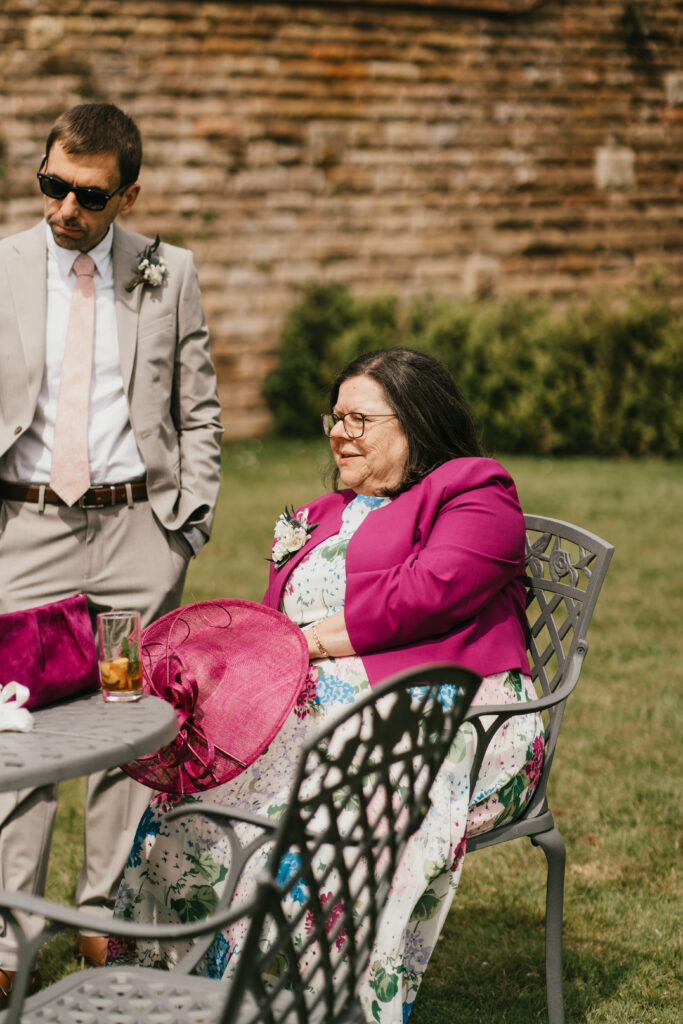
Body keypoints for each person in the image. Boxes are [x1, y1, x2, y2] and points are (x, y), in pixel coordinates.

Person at [110, 348, 543, 1023]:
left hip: (453, 707)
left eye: (358, 419)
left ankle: (308, 1000)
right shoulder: (324, 511)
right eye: (333, 417)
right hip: (320, 706)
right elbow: (273, 612)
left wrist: (303, 645)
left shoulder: (475, 490)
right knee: (197, 794)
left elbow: (428, 594)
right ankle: (174, 990)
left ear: (416, 421)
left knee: (317, 820)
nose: (339, 432)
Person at [0, 102, 223, 997]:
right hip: (26, 532)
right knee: (18, 736)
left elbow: (199, 407)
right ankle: (10, 939)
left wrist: (187, 524)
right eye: (50, 185)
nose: (63, 210)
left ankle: (106, 922)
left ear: (126, 193)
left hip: (138, 532)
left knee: (128, 732)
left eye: (86, 198)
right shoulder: (6, 265)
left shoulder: (170, 274)